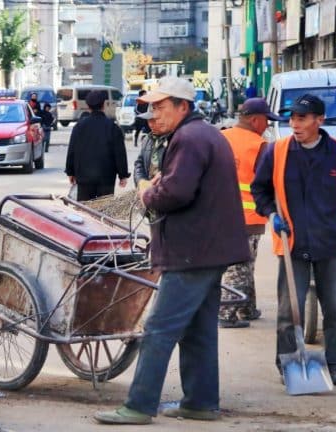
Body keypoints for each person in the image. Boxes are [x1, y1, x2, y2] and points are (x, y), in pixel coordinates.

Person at [94, 76, 249, 425]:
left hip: (193, 250)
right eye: (151, 107)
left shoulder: (189, 138)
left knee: (159, 330)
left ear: (183, 106)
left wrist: (147, 191)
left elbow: (176, 192)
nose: (154, 114)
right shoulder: (202, 134)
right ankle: (200, 403)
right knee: (198, 330)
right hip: (208, 248)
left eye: (161, 107)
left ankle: (138, 405)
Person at [251, 94, 336, 386]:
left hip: (330, 242)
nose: (294, 124)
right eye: (292, 119)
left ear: (319, 121)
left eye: (302, 118)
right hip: (293, 243)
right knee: (291, 310)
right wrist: (271, 214)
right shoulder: (278, 151)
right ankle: (288, 363)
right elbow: (259, 190)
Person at [217, 98, 282, 329]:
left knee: (244, 263)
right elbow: (268, 183)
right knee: (241, 265)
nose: (267, 126)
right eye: (266, 121)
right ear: (255, 119)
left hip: (218, 214)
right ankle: (227, 312)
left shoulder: (221, 137)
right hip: (247, 216)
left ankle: (247, 307)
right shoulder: (260, 145)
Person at [65, 90, 129, 201]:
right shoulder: (113, 128)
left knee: (84, 211)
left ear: (88, 106)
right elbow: (119, 153)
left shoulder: (79, 127)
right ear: (103, 105)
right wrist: (122, 174)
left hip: (84, 178)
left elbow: (72, 151)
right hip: (106, 178)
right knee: (104, 211)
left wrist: (70, 172)